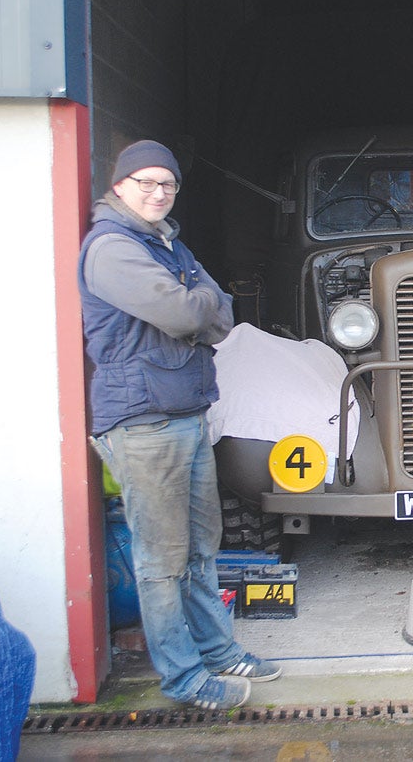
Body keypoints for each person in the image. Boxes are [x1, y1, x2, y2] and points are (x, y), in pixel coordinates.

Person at [79, 140, 280, 710]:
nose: (158, 192)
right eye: (145, 182)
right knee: (161, 558)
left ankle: (218, 652)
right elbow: (183, 311)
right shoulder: (112, 249)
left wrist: (195, 307)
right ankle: (184, 678)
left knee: (199, 548)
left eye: (167, 184)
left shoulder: (166, 243)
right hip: (143, 423)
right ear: (119, 186)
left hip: (186, 414)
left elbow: (223, 308)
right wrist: (194, 307)